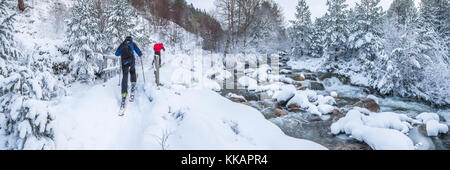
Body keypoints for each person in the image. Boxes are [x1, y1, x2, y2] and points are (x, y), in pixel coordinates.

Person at [115, 36, 143, 106]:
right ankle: (133, 83)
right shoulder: (133, 44)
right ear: (131, 39)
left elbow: (116, 54)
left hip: (124, 61)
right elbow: (138, 51)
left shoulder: (122, 44)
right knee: (132, 71)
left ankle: (124, 93)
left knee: (125, 75)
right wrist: (140, 54)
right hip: (131, 60)